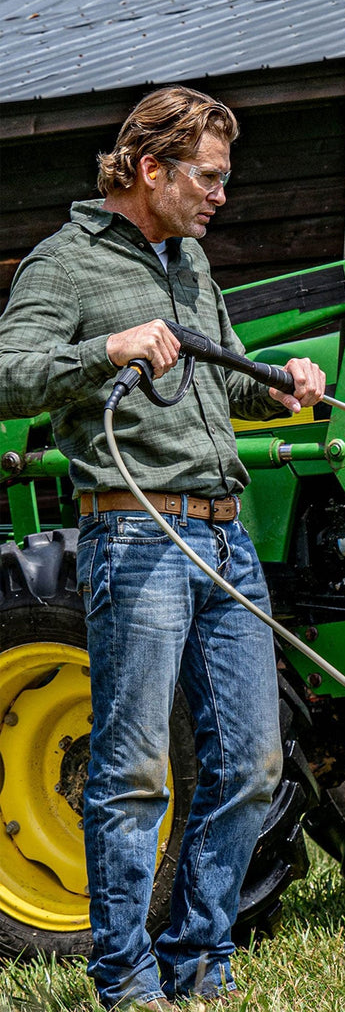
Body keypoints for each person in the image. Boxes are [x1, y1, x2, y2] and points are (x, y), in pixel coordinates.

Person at [0, 85, 326, 1010]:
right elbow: (8, 375)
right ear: (151, 169)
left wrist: (284, 385)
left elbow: (223, 384)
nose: (222, 195)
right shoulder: (63, 265)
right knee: (135, 769)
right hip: (135, 534)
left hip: (227, 538)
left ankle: (198, 960)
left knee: (256, 765)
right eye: (210, 178)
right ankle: (125, 980)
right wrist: (106, 349)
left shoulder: (190, 263)